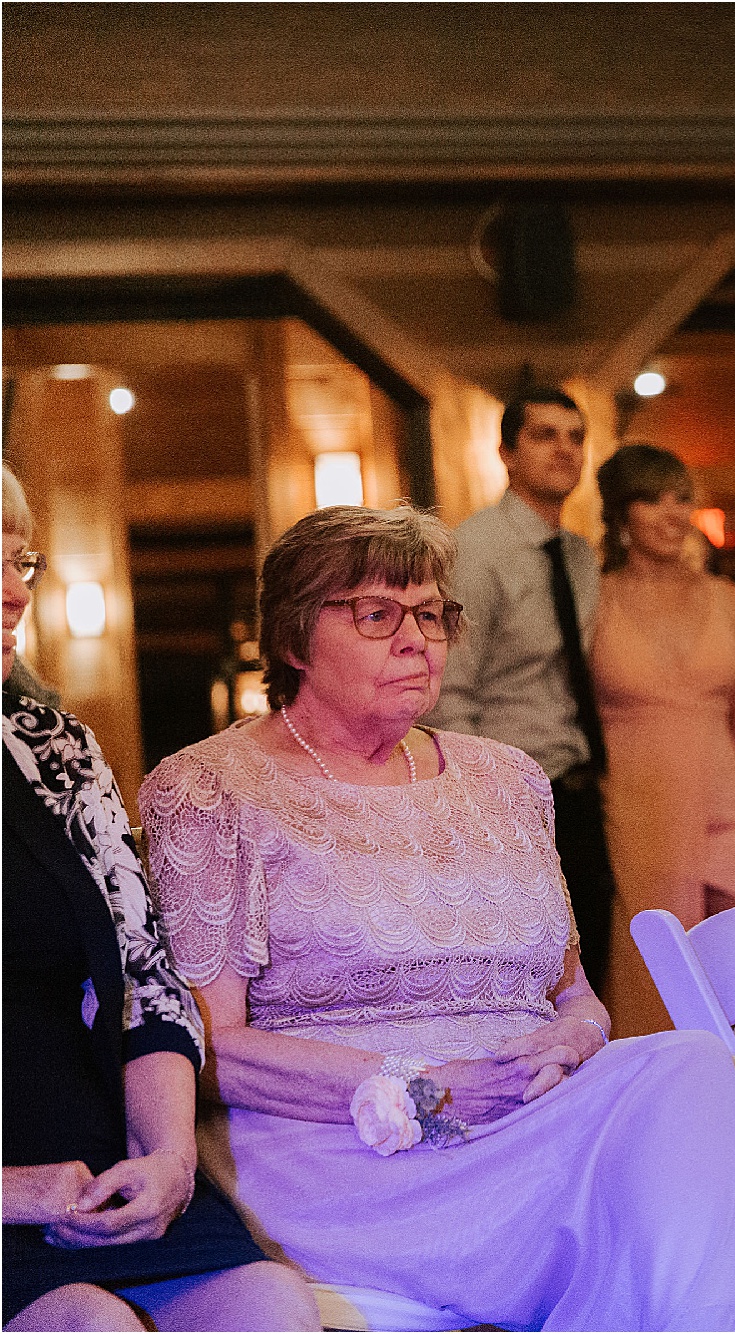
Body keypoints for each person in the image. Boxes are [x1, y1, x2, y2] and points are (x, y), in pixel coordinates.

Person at [140, 505, 735, 1331]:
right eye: (379, 615)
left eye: (432, 614)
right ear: (293, 641)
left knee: (693, 1069)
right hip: (353, 1154)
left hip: (534, 1122)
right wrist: (415, 1083)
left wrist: (577, 1039)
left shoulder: (507, 778)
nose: (418, 640)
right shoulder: (211, 789)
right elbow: (201, 1052)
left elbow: (577, 998)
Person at [2, 466, 318, 1333]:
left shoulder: (49, 744)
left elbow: (143, 975)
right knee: (86, 1324)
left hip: (92, 1163)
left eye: (20, 564)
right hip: (16, 1198)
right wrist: (16, 1193)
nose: (12, 595)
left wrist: (172, 1158)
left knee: (272, 1306)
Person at [424, 388, 616, 988]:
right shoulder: (474, 552)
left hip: (577, 785)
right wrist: (480, 806)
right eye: (543, 435)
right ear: (506, 452)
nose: (564, 450)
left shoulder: (581, 557)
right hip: (509, 794)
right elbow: (452, 692)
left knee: (593, 966)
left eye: (575, 436)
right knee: (529, 978)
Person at [592, 442, 735, 1037]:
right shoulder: (593, 601)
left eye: (682, 499)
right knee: (656, 977)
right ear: (621, 516)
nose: (671, 514)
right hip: (640, 804)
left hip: (728, 802)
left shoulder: (734, 603)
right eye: (651, 499)